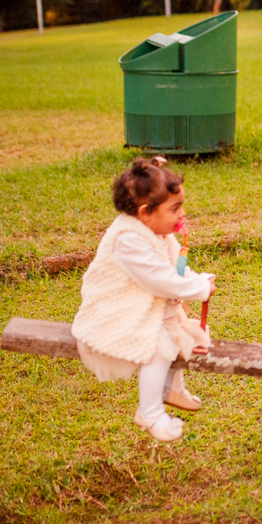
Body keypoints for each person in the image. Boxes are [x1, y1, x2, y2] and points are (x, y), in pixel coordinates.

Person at [72, 156, 214, 442]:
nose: (182, 214)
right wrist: (197, 288)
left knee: (182, 332)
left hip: (146, 301)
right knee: (159, 347)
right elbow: (159, 279)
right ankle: (150, 412)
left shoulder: (156, 231)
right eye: (175, 208)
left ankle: (170, 388)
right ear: (145, 212)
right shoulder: (128, 239)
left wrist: (195, 278)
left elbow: (174, 267)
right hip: (116, 308)